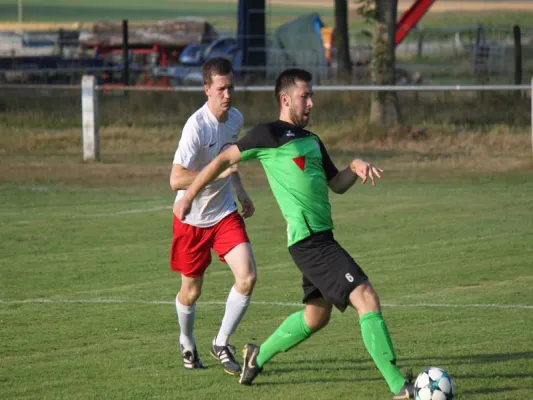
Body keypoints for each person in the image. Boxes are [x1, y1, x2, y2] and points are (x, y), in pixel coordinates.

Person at [173, 68, 414, 399]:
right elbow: (220, 162)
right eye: (305, 96)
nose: (311, 102)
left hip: (321, 238)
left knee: (316, 317)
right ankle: (399, 386)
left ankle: (257, 356)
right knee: (366, 297)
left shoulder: (313, 140)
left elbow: (337, 184)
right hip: (309, 241)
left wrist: (354, 167)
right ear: (285, 99)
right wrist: (188, 196)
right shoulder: (267, 135)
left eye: (312, 95)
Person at [169, 57, 257, 376]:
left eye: (231, 87)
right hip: (191, 219)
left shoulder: (235, 119)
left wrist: (241, 191)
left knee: (247, 276)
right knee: (191, 292)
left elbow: (229, 161)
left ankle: (221, 342)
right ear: (207, 90)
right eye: (221, 88)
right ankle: (186, 340)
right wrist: (216, 175)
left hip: (223, 215)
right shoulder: (196, 126)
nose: (227, 94)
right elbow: (176, 179)